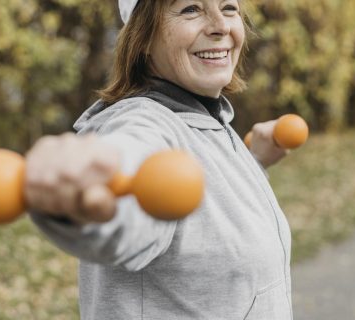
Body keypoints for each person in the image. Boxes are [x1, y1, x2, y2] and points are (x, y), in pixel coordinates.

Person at [26, 0, 293, 319]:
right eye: (191, 9)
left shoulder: (206, 118)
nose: (220, 25)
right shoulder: (144, 125)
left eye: (229, 7)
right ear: (144, 38)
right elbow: (131, 180)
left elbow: (205, 215)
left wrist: (252, 163)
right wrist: (87, 199)